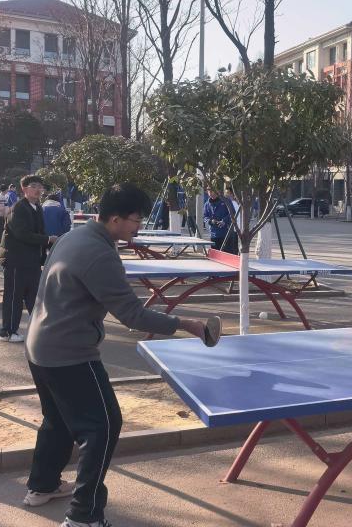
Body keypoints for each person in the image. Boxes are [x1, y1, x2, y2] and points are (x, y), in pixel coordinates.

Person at [23, 182, 220, 527]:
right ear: (115, 219)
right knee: (103, 426)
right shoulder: (100, 254)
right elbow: (132, 315)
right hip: (70, 353)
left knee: (58, 419)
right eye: (135, 220)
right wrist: (187, 324)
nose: (138, 227)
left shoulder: (74, 236)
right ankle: (84, 516)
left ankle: (42, 485)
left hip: (39, 344)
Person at [0, 175, 55, 343]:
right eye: (34, 186)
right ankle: (7, 332)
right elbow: (22, 234)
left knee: (34, 297)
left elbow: (40, 232)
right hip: (16, 261)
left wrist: (47, 249)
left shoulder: (37, 208)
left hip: (32, 261)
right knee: (14, 297)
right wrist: (47, 239)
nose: (38, 190)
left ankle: (39, 330)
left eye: (40, 187)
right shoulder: (18, 208)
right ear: (24, 188)